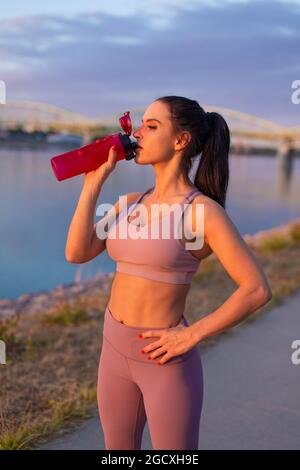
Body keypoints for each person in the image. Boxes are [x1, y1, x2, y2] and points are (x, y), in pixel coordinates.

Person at [65, 96, 272, 450]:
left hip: (164, 360)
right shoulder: (127, 203)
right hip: (113, 349)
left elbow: (255, 289)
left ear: (181, 141)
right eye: (141, 123)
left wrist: (192, 336)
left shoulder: (201, 212)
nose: (139, 132)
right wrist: (92, 185)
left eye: (152, 125)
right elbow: (77, 252)